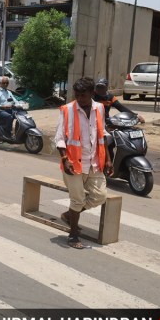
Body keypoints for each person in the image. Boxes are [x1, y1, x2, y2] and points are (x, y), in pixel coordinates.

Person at [55, 77, 113, 249]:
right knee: (78, 199)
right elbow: (59, 138)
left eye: (84, 95)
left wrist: (109, 159)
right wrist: (65, 160)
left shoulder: (100, 108)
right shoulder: (67, 110)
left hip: (95, 162)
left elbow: (103, 135)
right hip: (73, 164)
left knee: (100, 196)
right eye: (77, 95)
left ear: (92, 93)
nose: (80, 99)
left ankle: (69, 214)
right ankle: (73, 236)